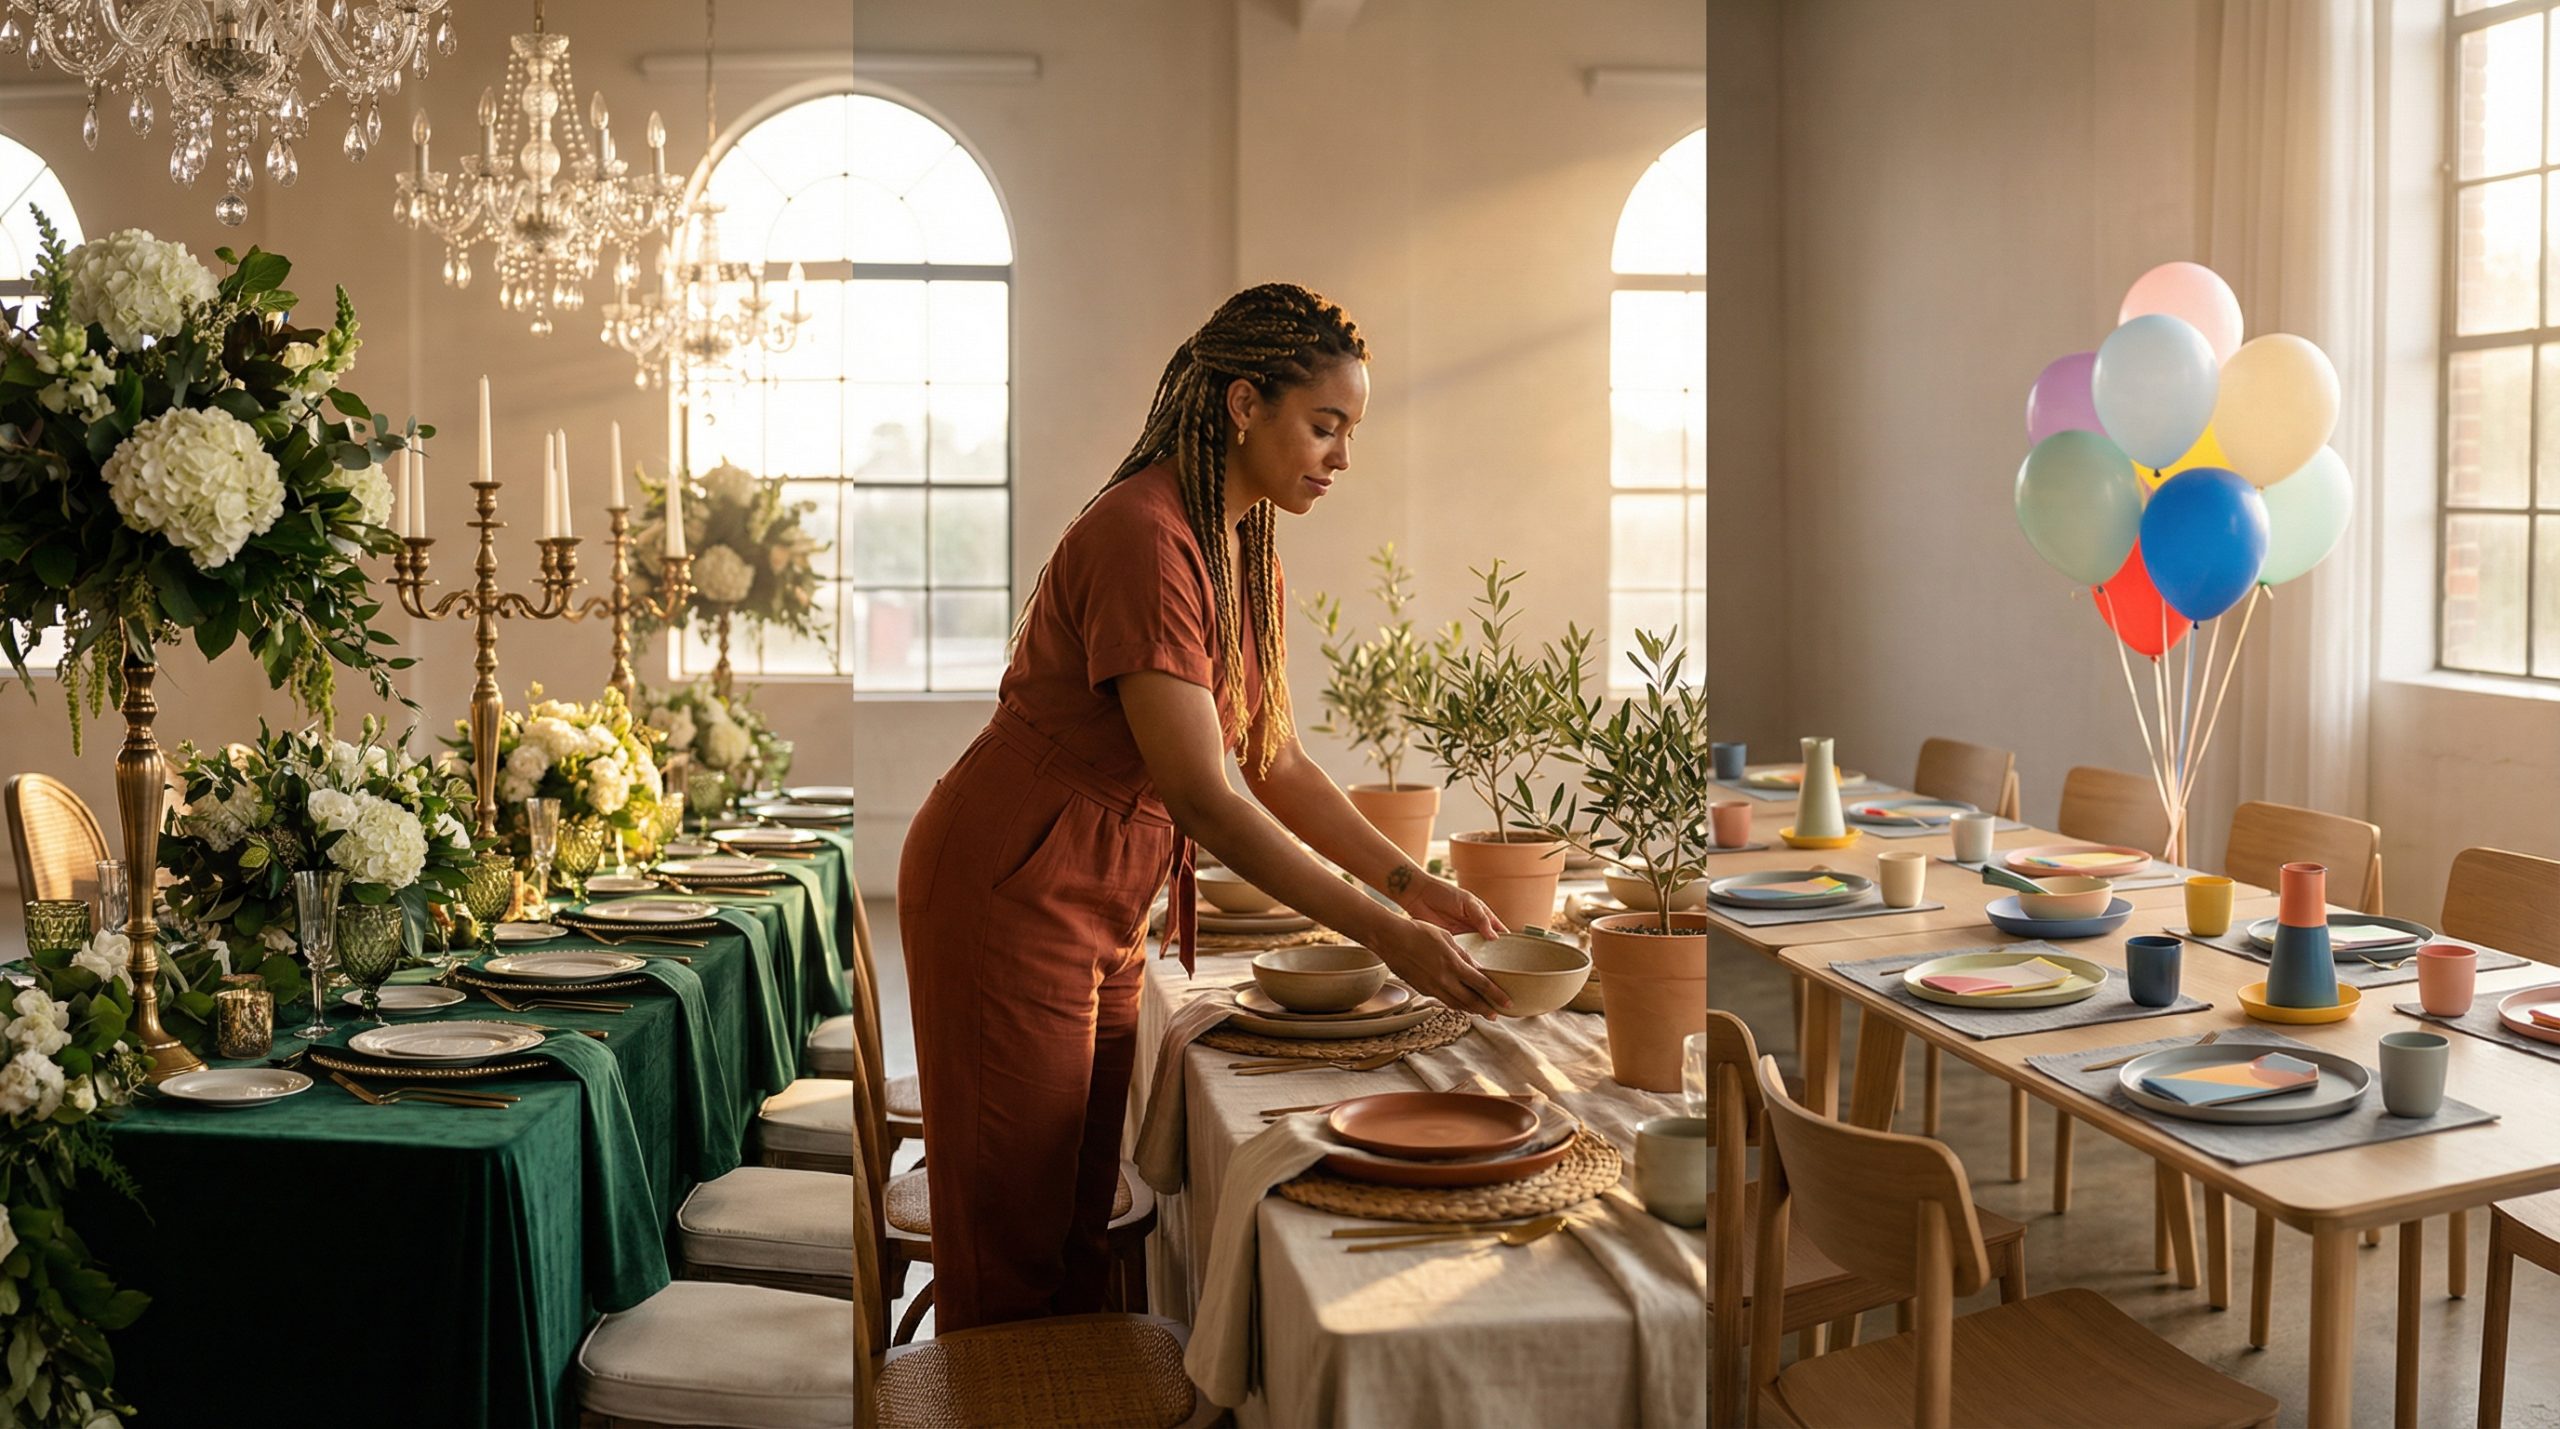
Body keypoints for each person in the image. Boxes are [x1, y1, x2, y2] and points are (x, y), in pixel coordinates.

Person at [897, 282, 1513, 1331]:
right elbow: (1205, 797)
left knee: (1077, 1225)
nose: (1341, 457)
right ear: (1241, 404)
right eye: (1325, 425)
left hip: (1099, 894)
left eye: (1349, 431)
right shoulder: (1142, 534)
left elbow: (1270, 760)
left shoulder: (1239, 546)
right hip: (1011, 881)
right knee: (1014, 1250)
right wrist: (1387, 932)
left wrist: (1417, 884)